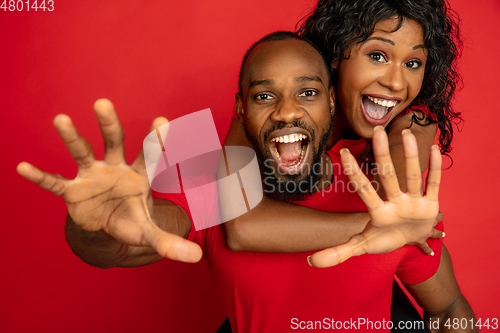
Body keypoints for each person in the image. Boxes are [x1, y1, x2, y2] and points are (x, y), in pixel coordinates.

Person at [17, 31, 476, 332]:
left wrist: (383, 229)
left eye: (308, 93)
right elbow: (115, 247)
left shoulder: (383, 193)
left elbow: (450, 310)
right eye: (265, 95)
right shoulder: (209, 171)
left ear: (333, 106)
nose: (288, 110)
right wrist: (96, 224)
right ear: (240, 108)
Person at [222, 0, 461, 268]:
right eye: (378, 56)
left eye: (413, 63)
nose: (395, 82)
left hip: (362, 279)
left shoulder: (414, 120)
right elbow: (241, 226)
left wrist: (400, 218)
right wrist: (385, 227)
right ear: (337, 51)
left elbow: (399, 196)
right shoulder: (274, 97)